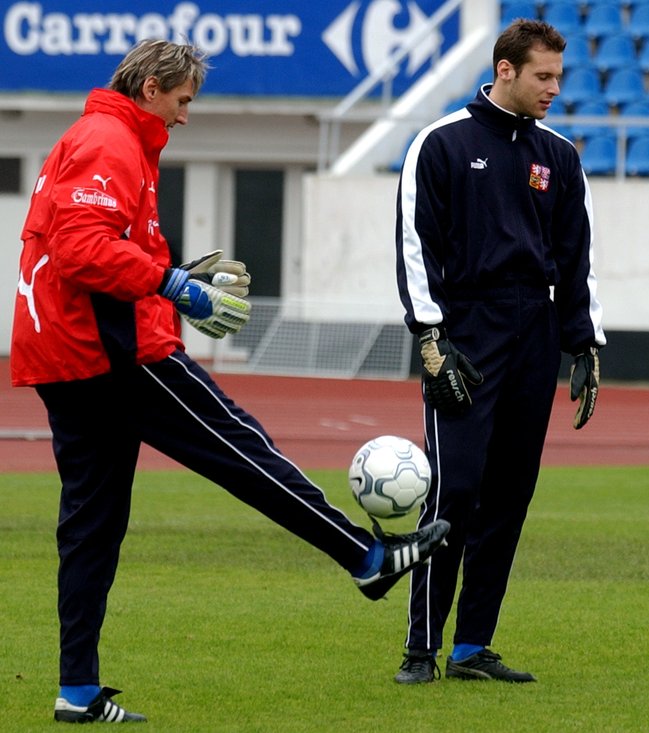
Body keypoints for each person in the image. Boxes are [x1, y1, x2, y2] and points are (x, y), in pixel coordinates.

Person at [11, 39, 450, 724]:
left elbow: (93, 240)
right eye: (183, 100)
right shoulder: (109, 139)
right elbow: (81, 248)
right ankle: (364, 556)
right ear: (152, 87)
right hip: (113, 351)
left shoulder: (99, 136)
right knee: (241, 447)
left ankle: (76, 689)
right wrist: (170, 284)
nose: (186, 115)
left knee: (91, 526)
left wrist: (170, 275)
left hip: (65, 353)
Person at [391, 19, 605, 684]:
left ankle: (471, 646)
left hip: (534, 329)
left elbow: (576, 258)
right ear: (504, 69)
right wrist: (430, 338)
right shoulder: (441, 143)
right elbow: (413, 244)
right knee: (453, 489)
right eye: (543, 76)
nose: (554, 90)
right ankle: (420, 647)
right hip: (466, 328)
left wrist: (583, 344)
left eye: (559, 78)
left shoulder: (560, 156)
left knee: (510, 492)